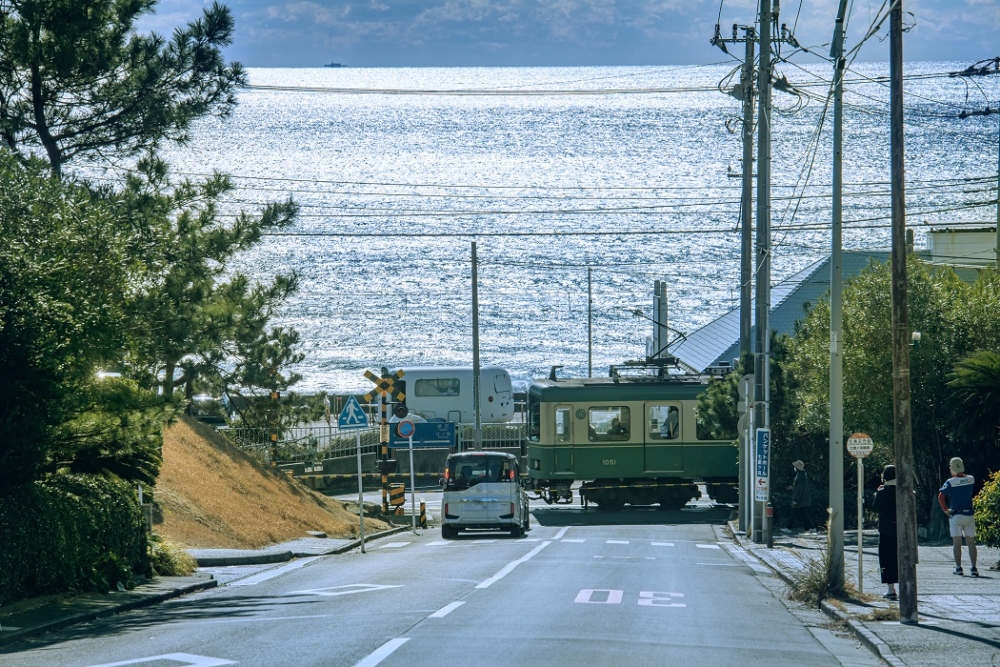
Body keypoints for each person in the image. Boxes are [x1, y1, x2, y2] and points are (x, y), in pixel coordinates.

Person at [938, 456, 978, 576]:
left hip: (955, 515)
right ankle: (974, 568)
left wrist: (946, 510)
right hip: (969, 514)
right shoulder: (971, 479)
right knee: (971, 542)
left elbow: (940, 496)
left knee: (957, 543)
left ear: (952, 468)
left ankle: (959, 568)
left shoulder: (950, 482)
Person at [871, 465, 898, 600]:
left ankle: (891, 589)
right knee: (902, 558)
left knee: (887, 558)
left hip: (886, 529)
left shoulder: (883, 491)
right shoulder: (904, 490)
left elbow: (875, 508)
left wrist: (878, 492)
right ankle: (907, 586)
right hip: (902, 530)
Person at [789, 460, 812, 532]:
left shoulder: (801, 476)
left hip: (800, 499)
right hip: (802, 499)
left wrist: (795, 499)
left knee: (794, 513)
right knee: (804, 514)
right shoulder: (801, 475)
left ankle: (788, 528)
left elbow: (799, 489)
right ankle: (810, 528)